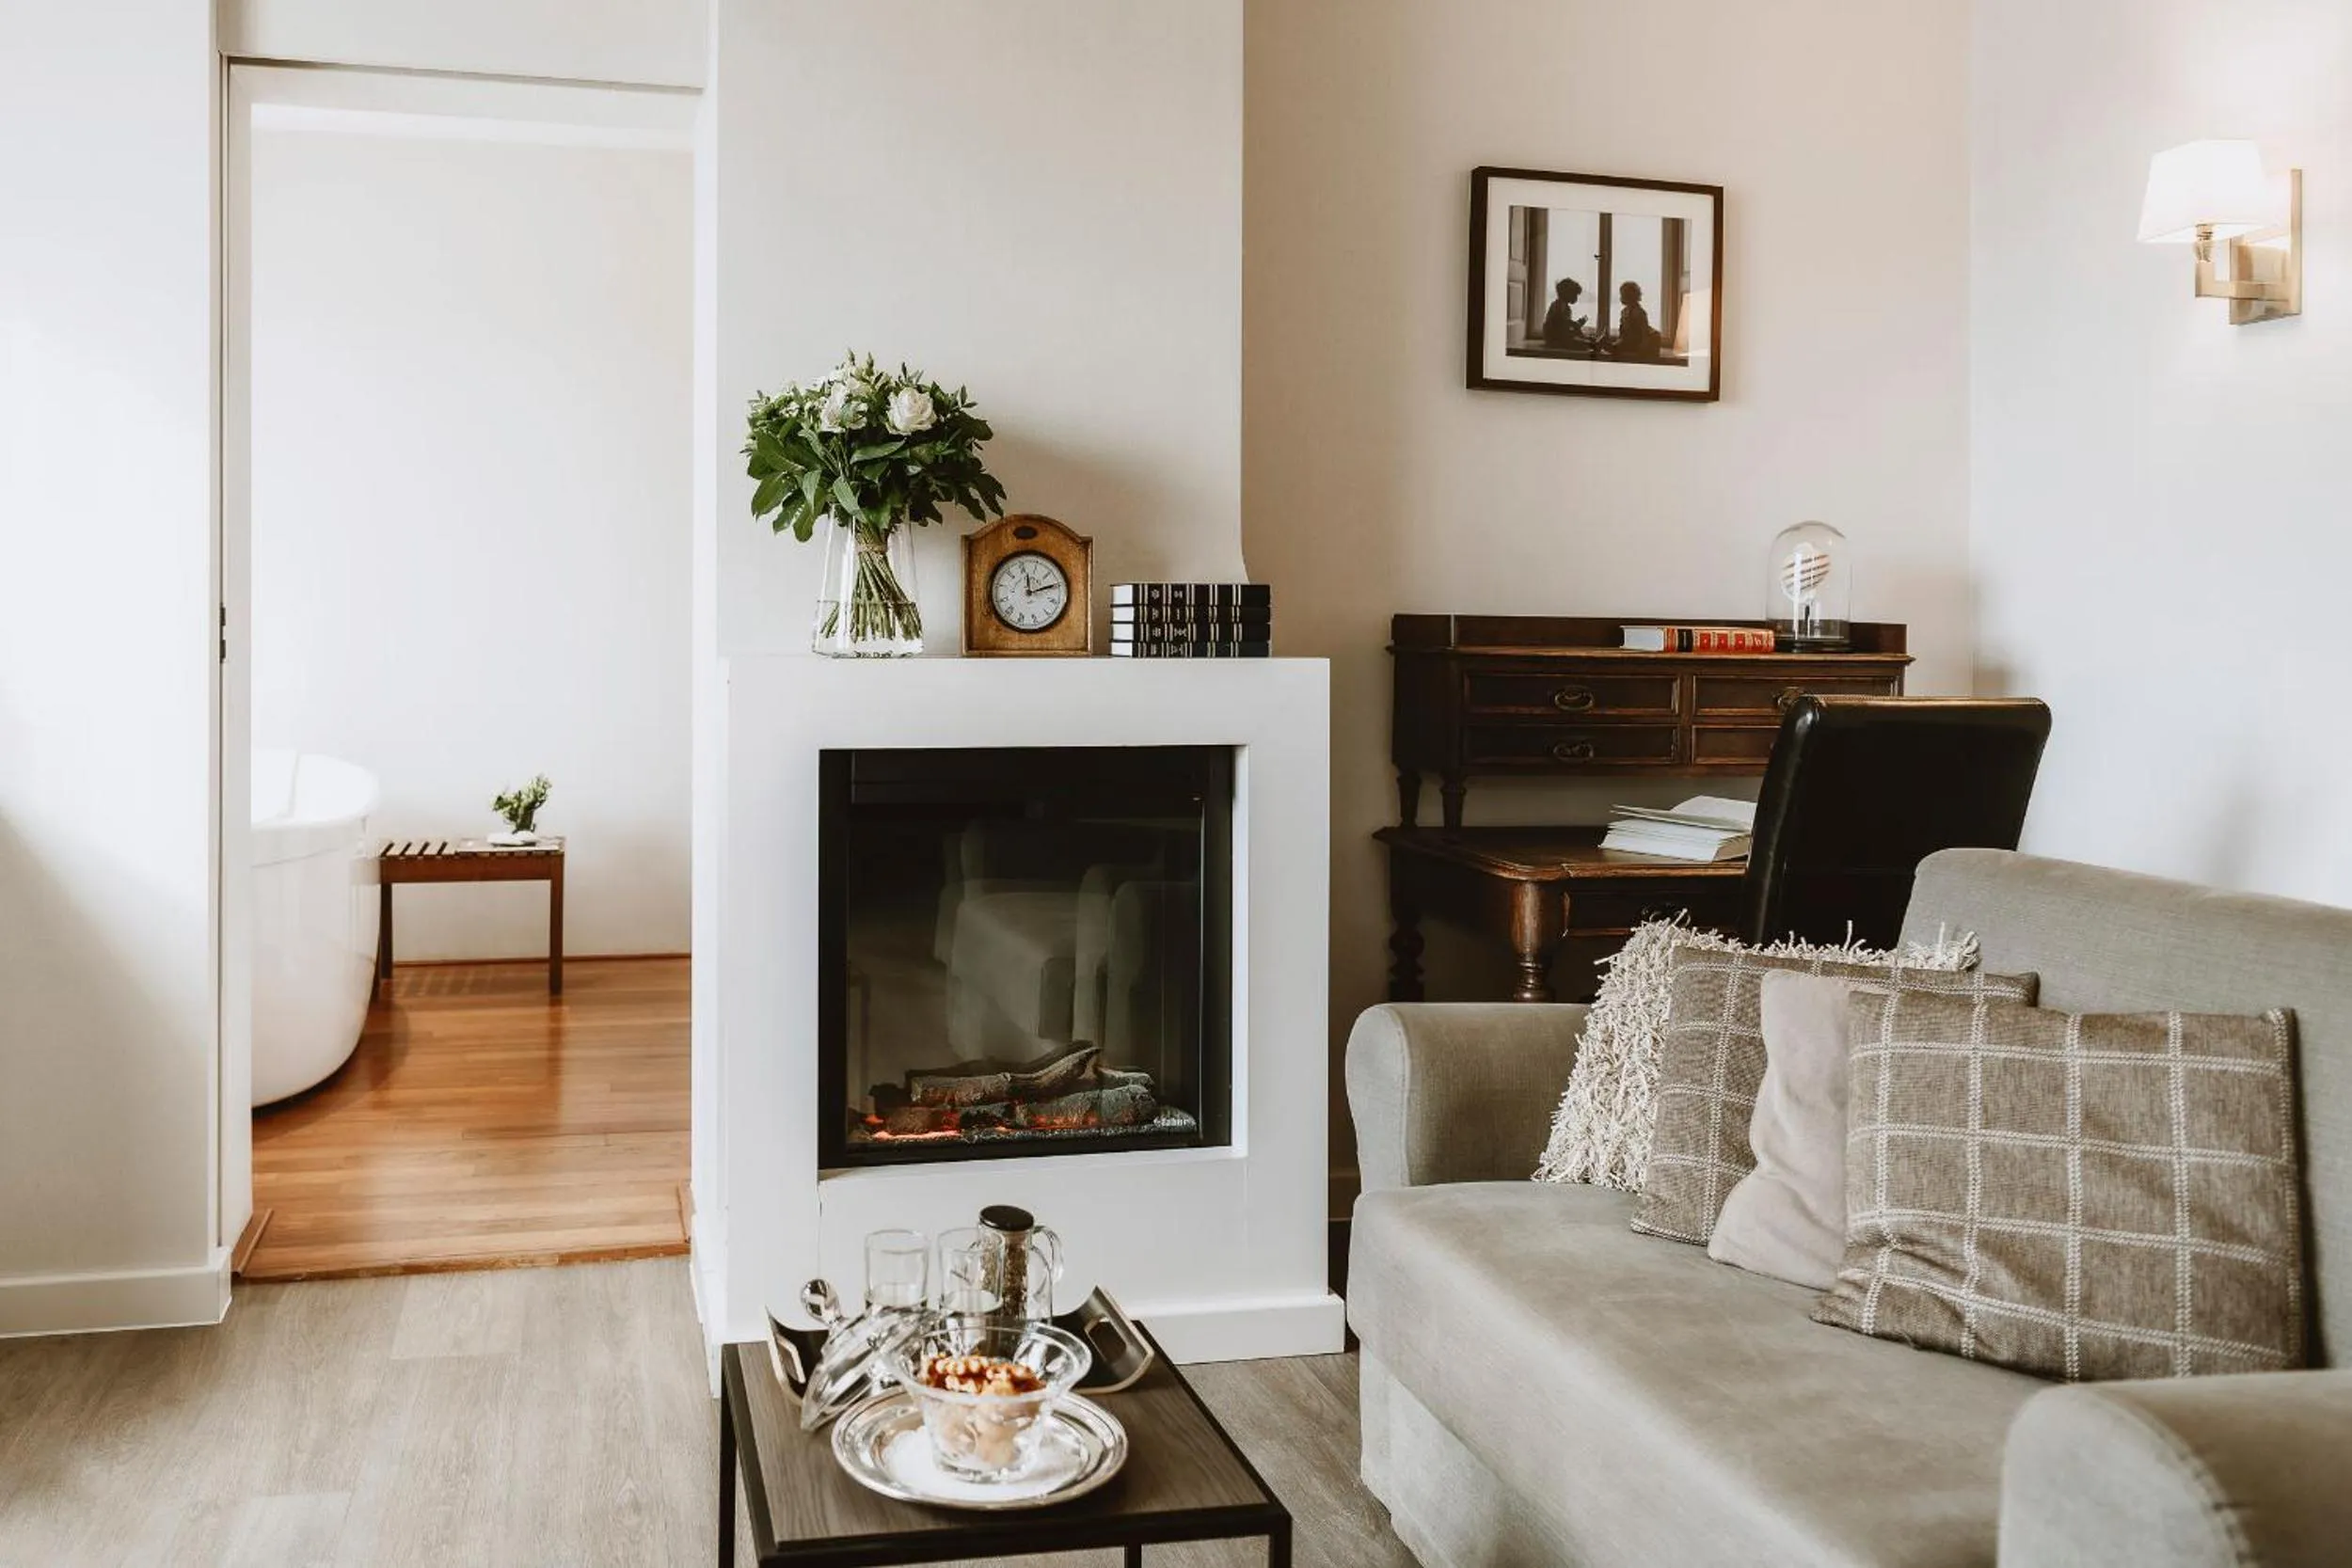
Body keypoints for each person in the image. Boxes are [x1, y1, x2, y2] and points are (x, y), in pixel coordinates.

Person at [1612, 281, 1661, 361]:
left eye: (1623, 295)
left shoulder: (1639, 312)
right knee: (1613, 347)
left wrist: (1643, 345)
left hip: (1637, 342)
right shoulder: (1624, 312)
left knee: (1614, 348)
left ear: (1630, 296)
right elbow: (1622, 331)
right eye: (1621, 294)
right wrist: (1619, 340)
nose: (1621, 297)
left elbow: (1644, 331)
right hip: (1628, 340)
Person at [1539, 277, 1587, 350]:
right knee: (1583, 344)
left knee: (1582, 339)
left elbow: (1564, 324)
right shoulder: (1558, 305)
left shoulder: (1563, 306)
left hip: (1558, 336)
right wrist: (1575, 324)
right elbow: (1559, 322)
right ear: (1567, 293)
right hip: (1555, 339)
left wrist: (1576, 324)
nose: (1576, 298)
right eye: (1575, 295)